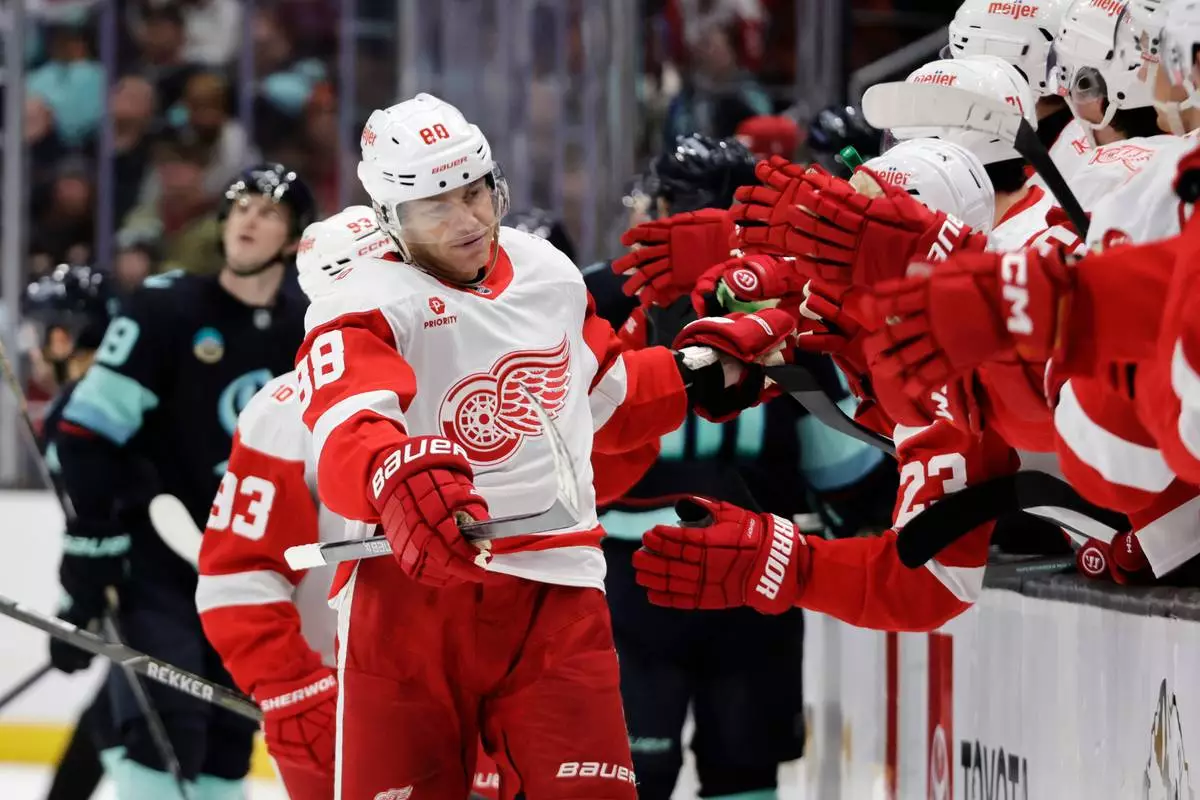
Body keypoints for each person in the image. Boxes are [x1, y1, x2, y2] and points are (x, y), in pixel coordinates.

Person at [297, 93, 791, 799]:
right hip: (409, 604)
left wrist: (699, 372)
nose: (469, 221)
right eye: (439, 205)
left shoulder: (546, 273)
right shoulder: (362, 298)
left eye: (476, 193)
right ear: (390, 219)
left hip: (554, 592)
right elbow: (348, 424)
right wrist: (395, 475)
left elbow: (600, 401)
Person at [603, 134, 896, 800]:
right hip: (754, 572)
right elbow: (847, 473)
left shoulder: (602, 296)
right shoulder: (797, 305)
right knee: (743, 772)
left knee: (627, 778)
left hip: (630, 577)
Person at [54, 163, 315, 798]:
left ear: (290, 240)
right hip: (159, 554)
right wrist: (93, 540)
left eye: (268, 212)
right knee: (170, 719)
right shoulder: (165, 308)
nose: (249, 220)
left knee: (230, 732)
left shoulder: (309, 327)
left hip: (251, 559)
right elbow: (85, 431)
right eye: (241, 207)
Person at [22, 265, 121, 800]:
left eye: (38, 333)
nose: (33, 350)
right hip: (168, 591)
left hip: (159, 601)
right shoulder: (120, 391)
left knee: (126, 728)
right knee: (107, 722)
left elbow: (96, 522)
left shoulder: (84, 411)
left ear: (62, 336)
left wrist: (76, 610)